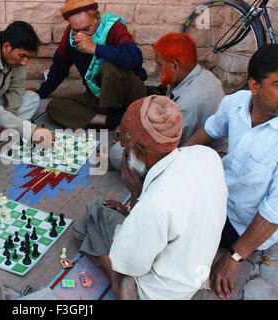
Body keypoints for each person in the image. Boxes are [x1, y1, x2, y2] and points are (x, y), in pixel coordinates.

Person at [73, 95, 228, 299]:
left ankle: (118, 285)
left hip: (159, 292)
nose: (123, 152)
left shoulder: (154, 206)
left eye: (125, 147)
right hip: (193, 272)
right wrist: (136, 210)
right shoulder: (206, 155)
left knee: (95, 213)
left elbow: (132, 264)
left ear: (139, 151)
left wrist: (137, 197)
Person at [183, 44, 278, 300]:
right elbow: (209, 130)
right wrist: (174, 163)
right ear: (254, 87)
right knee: (162, 204)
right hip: (217, 197)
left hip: (242, 224)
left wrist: (234, 257)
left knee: (175, 236)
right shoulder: (235, 103)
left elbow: (272, 213)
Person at [110, 33, 227, 170]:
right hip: (190, 141)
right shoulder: (197, 74)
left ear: (174, 66)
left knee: (116, 153)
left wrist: (131, 135)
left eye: (159, 64)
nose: (156, 69)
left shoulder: (188, 103)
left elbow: (166, 148)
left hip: (197, 158)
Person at [33, 0, 147, 130]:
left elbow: (135, 58)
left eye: (87, 29)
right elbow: (59, 68)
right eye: (76, 30)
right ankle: (111, 121)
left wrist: (96, 48)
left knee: (109, 64)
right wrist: (39, 93)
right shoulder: (70, 37)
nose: (82, 35)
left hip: (127, 95)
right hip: (99, 97)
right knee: (55, 107)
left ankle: (123, 116)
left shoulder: (113, 27)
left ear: (97, 18)